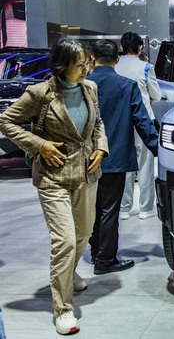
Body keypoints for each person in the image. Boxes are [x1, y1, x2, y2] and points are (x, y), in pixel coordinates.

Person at [0, 38, 108, 335]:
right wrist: (39, 144)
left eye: (89, 61)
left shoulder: (91, 88)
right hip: (53, 177)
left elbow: (97, 122)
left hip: (87, 173)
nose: (87, 67)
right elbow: (6, 121)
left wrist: (101, 146)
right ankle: (63, 308)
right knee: (65, 241)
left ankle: (69, 273)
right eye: (81, 63)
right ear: (63, 65)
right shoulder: (39, 93)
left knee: (84, 233)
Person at [87, 39, 158, 274]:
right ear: (117, 60)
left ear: (92, 60)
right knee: (109, 210)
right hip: (113, 158)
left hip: (83, 159)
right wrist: (158, 148)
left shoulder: (82, 85)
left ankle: (96, 250)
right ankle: (106, 259)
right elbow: (142, 120)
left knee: (89, 208)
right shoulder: (126, 86)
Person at [115, 32, 161, 220]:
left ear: (122, 47)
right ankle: (145, 208)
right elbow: (156, 96)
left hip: (121, 121)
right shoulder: (146, 67)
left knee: (125, 165)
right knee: (145, 166)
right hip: (143, 120)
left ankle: (124, 209)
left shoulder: (115, 67)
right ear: (140, 48)